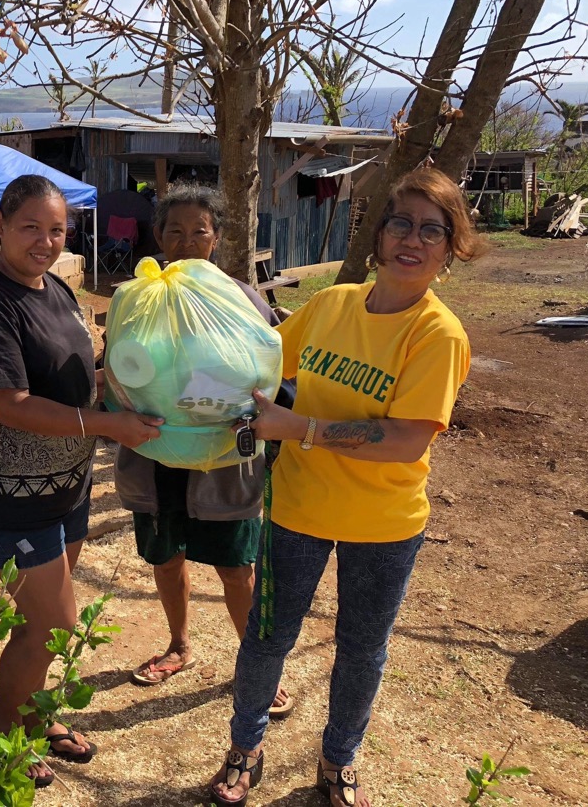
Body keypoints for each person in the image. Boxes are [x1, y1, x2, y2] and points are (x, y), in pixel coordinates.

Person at [208, 167, 482, 807]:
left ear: (451, 247)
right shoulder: (334, 303)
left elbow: (406, 441)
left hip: (384, 525)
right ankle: (244, 750)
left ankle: (338, 761)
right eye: (401, 223)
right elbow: (263, 360)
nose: (412, 240)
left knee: (361, 650)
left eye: (431, 231)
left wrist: (296, 426)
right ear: (379, 233)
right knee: (268, 636)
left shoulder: (437, 335)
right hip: (298, 508)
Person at [0, 174, 163, 788]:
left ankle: (32, 721)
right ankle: (5, 739)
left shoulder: (57, 290)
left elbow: (75, 374)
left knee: (40, 623)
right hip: (7, 490)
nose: (45, 241)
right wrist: (106, 424)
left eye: (57, 230)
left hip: (63, 483)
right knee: (53, 624)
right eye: (30, 228)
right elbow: (9, 402)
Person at [115, 186, 293, 722]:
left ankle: (257, 665)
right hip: (155, 454)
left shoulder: (240, 299)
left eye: (200, 232)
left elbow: (271, 368)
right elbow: (119, 371)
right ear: (158, 237)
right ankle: (179, 645)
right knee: (165, 559)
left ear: (217, 238)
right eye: (174, 231)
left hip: (224, 460)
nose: (187, 242)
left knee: (237, 568)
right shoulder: (138, 296)